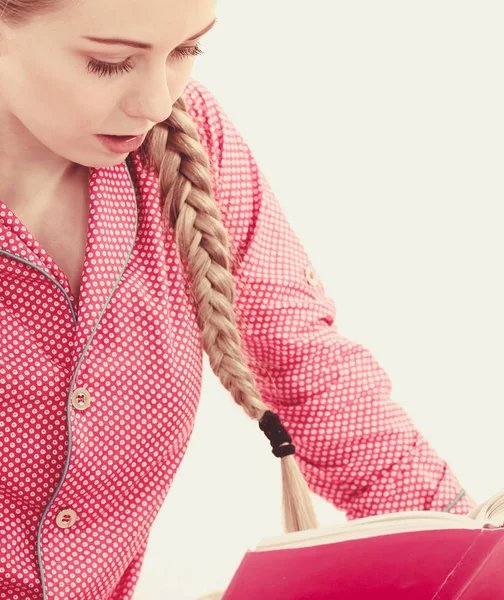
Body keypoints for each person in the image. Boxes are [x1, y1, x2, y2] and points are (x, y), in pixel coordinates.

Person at [0, 0, 479, 599]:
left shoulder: (187, 135)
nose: (153, 103)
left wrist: (471, 556)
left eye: (185, 50)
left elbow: (307, 366)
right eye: (107, 62)